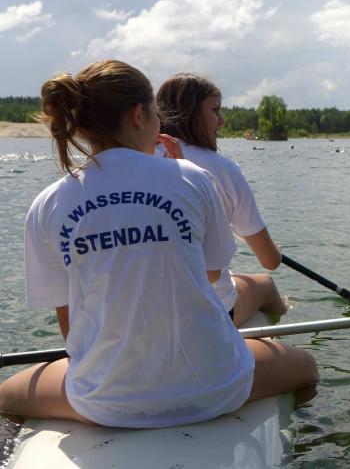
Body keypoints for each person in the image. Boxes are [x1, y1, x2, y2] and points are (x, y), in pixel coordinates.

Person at [0, 60, 317, 427]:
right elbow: (211, 273)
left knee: (6, 395)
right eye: (155, 114)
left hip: (104, 400)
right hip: (214, 385)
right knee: (306, 367)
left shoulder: (47, 203)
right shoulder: (194, 178)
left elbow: (69, 324)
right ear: (139, 115)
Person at [156, 73, 286, 327]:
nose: (223, 121)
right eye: (215, 110)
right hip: (211, 309)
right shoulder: (224, 169)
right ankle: (274, 337)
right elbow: (269, 261)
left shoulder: (138, 158)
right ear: (191, 114)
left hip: (152, 308)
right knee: (267, 285)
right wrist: (277, 252)